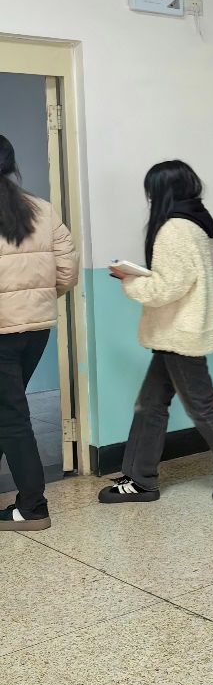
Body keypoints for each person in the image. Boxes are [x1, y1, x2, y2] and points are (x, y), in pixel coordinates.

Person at [98, 161, 213, 504]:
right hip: (178, 330)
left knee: (202, 404)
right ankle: (140, 479)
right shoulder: (198, 223)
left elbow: (167, 288)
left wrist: (129, 280)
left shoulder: (175, 228)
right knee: (150, 404)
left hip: (179, 332)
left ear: (161, 191)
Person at [0, 135, 78, 531]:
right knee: (6, 410)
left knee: (12, 417)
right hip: (36, 329)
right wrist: (36, 303)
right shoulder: (43, 210)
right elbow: (67, 272)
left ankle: (32, 507)